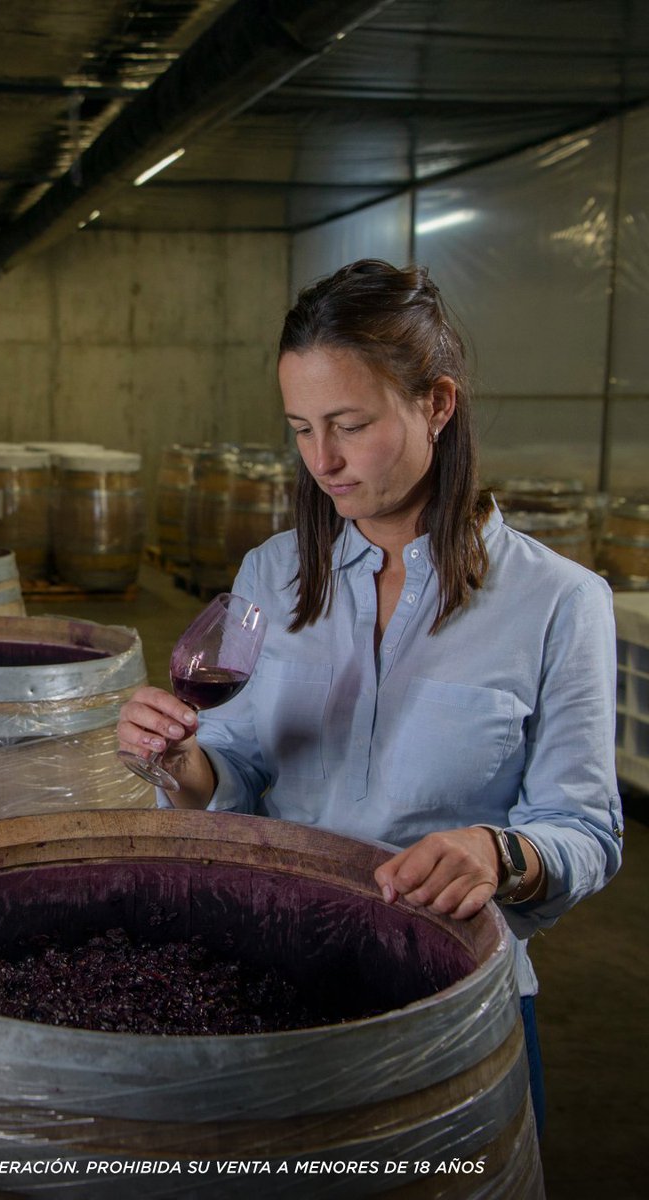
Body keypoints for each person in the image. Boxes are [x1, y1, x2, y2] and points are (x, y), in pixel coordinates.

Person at [117, 258, 623, 1133]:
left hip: (451, 995)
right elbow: (231, 764)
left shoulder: (561, 602)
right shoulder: (270, 574)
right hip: (271, 973)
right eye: (302, 428)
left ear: (437, 404)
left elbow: (585, 829)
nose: (324, 460)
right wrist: (181, 755)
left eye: (350, 424)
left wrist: (495, 852)